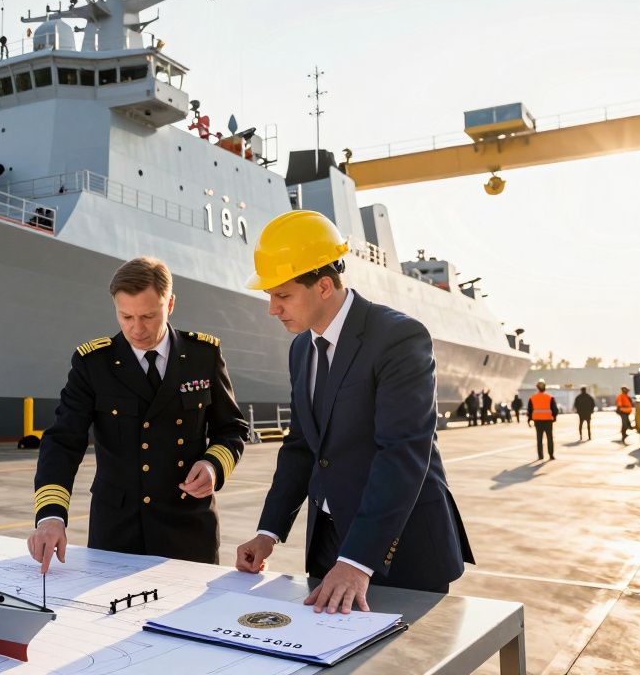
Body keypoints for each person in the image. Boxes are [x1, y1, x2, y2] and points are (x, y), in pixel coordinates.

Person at [235, 210, 473, 612]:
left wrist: (358, 560)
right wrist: (268, 532)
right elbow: (300, 446)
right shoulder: (301, 349)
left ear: (324, 286)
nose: (272, 309)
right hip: (328, 544)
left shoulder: (398, 338)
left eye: (282, 295)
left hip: (400, 547)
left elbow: (403, 453)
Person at [28, 257, 248, 571]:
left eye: (148, 315)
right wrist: (50, 516)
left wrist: (213, 465)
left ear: (169, 304)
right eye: (126, 316)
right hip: (117, 532)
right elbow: (63, 441)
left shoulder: (203, 356)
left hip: (188, 530)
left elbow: (232, 429)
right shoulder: (93, 364)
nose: (137, 328)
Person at [528, 380, 559, 460]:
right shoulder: (550, 397)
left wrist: (529, 419)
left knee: (539, 438)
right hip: (548, 420)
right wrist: (554, 417)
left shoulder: (532, 398)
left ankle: (540, 456)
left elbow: (530, 410)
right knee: (549, 438)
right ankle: (551, 455)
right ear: (545, 388)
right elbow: (555, 410)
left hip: (537, 421)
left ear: (537, 388)